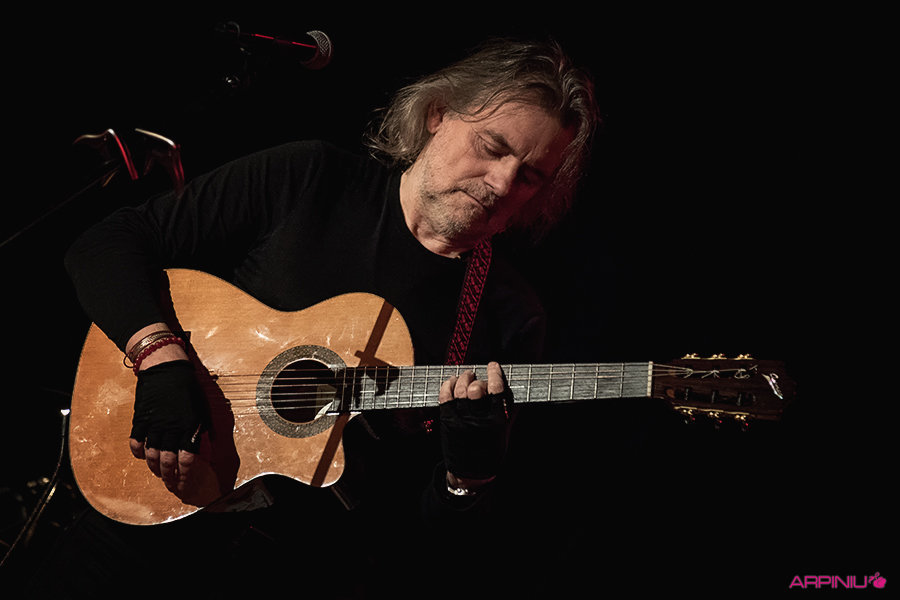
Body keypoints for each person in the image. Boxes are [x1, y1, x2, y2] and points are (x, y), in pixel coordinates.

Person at [49, 36, 600, 598]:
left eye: (530, 176)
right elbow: (105, 246)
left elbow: (433, 546)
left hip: (304, 570)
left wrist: (468, 479)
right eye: (492, 146)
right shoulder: (312, 178)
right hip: (136, 529)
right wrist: (160, 360)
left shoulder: (509, 313)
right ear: (438, 113)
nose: (503, 183)